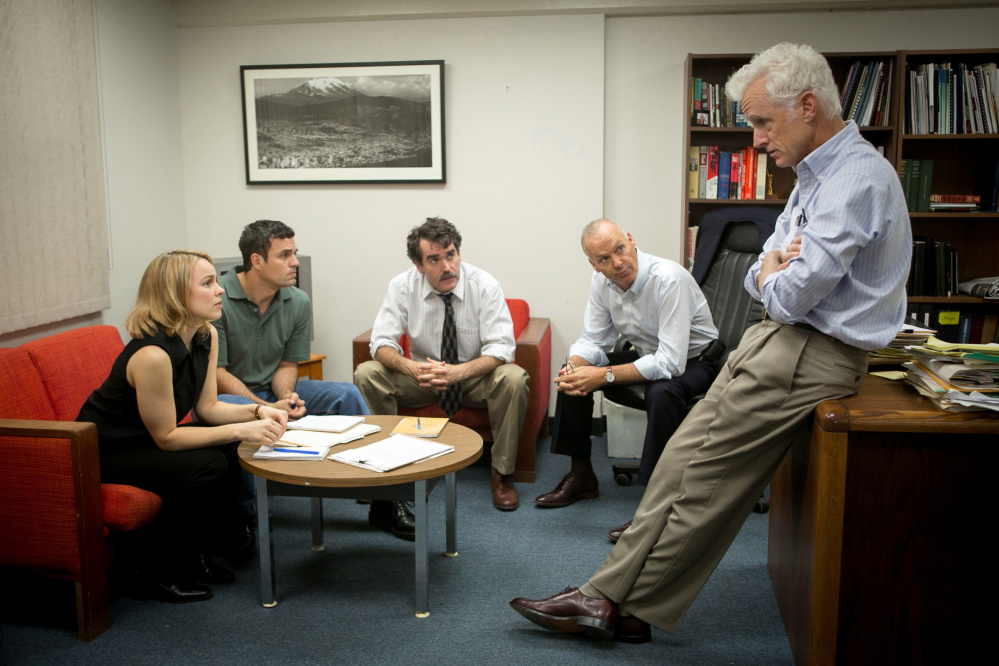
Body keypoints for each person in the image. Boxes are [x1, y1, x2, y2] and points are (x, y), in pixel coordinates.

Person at [510, 42, 911, 642]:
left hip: (808, 349)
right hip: (779, 340)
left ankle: (607, 598)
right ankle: (625, 604)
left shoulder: (853, 180)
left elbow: (786, 294)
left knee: (701, 479)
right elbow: (761, 274)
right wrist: (774, 268)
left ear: (807, 106)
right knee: (678, 465)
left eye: (761, 122)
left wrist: (775, 272)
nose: (755, 139)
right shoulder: (813, 179)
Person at [77, 250, 290, 604]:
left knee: (226, 451)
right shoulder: (152, 355)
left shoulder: (205, 335)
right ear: (176, 295)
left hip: (145, 442)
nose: (220, 289)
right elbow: (167, 438)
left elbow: (207, 409)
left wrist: (259, 411)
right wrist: (243, 429)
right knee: (208, 464)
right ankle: (154, 569)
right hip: (106, 452)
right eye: (207, 283)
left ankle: (195, 554)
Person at [536, 218, 721, 544]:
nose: (617, 263)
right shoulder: (602, 283)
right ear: (594, 265)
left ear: (631, 241)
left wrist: (604, 375)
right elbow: (594, 339)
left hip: (698, 362)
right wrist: (576, 366)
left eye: (620, 249)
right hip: (649, 354)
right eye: (604, 259)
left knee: (662, 394)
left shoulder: (669, 279)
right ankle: (582, 476)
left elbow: (671, 362)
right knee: (573, 379)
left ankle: (655, 507)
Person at [212, 221, 389, 538]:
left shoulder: (297, 301)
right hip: (224, 399)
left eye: (295, 253)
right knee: (234, 405)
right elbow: (218, 375)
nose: (295, 262)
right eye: (285, 255)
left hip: (269, 392)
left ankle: (384, 497)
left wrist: (287, 397)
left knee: (345, 394)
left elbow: (287, 364)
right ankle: (246, 518)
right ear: (256, 261)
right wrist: (266, 407)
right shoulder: (219, 300)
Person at [354, 217, 530, 511]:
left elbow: (502, 349)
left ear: (458, 253)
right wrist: (413, 369)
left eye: (450, 255)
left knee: (513, 377)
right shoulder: (402, 286)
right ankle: (384, 468)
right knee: (368, 373)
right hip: (422, 377)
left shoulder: (484, 286)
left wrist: (459, 371)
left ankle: (502, 474)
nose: (446, 267)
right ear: (419, 265)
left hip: (473, 378)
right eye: (433, 259)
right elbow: (381, 343)